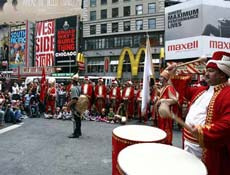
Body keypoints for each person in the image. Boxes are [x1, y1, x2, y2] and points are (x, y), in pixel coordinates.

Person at [165, 51, 230, 175]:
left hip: (207, 147)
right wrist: (174, 72)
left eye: (211, 70)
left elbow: (227, 123)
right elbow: (183, 90)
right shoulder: (202, 90)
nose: (206, 73)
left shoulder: (227, 93)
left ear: (223, 74)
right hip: (188, 142)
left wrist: (203, 131)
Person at [156, 70, 179, 145]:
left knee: (166, 129)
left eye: (161, 77)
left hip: (166, 113)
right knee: (161, 129)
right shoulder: (163, 88)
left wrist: (163, 100)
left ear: (165, 78)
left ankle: (167, 143)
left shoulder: (169, 87)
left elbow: (175, 100)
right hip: (161, 113)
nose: (160, 78)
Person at [67, 73, 81, 138]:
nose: (71, 81)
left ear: (73, 81)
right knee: (78, 119)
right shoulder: (79, 87)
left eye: (72, 80)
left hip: (75, 106)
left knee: (75, 120)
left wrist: (68, 105)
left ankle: (75, 133)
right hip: (80, 106)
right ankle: (79, 132)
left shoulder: (73, 88)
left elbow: (74, 99)